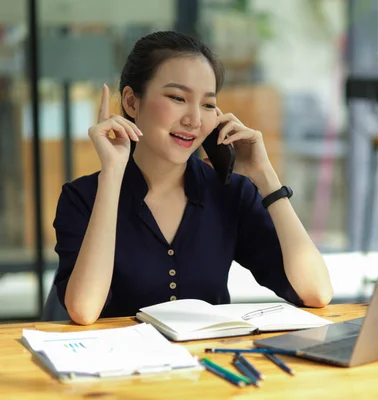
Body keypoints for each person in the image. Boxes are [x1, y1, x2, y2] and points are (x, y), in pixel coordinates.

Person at [52, 31, 333, 325]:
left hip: (209, 365)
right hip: (122, 368)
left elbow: (316, 291)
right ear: (132, 103)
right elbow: (84, 309)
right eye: (177, 98)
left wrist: (266, 177)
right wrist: (112, 174)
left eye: (208, 105)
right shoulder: (81, 198)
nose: (195, 120)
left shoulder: (229, 193)